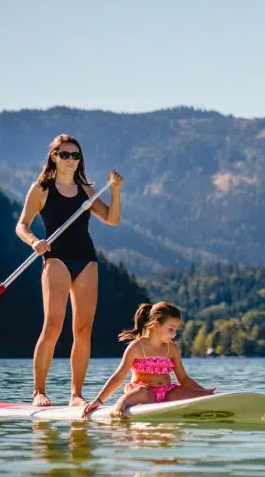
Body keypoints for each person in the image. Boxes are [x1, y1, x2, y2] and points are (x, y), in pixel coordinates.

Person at [16, 134, 124, 407]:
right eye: (65, 155)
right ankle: (38, 391)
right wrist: (34, 242)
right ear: (54, 156)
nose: (71, 160)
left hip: (86, 259)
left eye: (76, 156)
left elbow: (111, 219)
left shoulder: (87, 190)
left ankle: (76, 394)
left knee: (84, 329)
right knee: (53, 325)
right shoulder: (41, 188)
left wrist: (115, 190)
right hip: (56, 258)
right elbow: (22, 225)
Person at [82, 301, 215, 419]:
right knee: (143, 391)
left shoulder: (172, 349)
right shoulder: (136, 347)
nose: (174, 334)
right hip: (143, 393)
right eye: (170, 329)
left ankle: (210, 399)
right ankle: (119, 406)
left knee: (181, 391)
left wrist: (203, 392)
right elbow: (119, 376)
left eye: (175, 330)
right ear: (156, 324)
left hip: (167, 392)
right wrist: (99, 400)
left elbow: (184, 379)